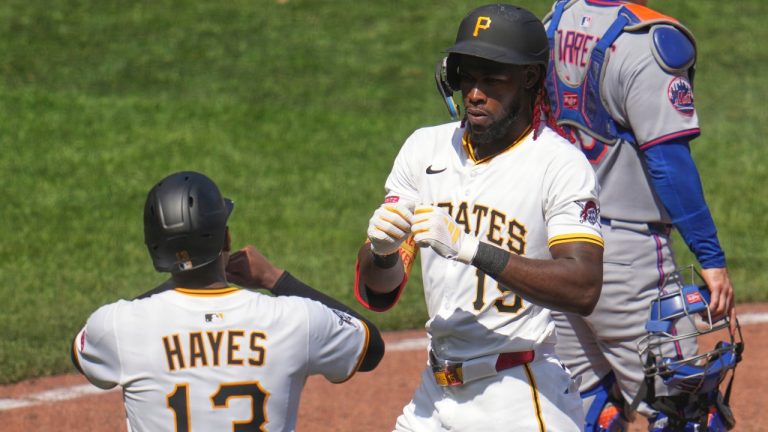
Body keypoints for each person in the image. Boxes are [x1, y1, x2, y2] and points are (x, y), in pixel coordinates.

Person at [355, 4, 605, 431]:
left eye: (492, 79)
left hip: (518, 395)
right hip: (435, 394)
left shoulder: (559, 164)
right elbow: (381, 294)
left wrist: (471, 248)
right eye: (467, 76)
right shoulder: (424, 149)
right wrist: (380, 254)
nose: (474, 92)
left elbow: (583, 287)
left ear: (528, 79)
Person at [543, 0, 737, 430]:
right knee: (685, 413)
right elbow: (667, 162)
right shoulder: (646, 43)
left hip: (554, 249)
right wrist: (710, 257)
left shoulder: (556, 21)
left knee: (587, 406)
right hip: (625, 259)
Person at [71, 171, 384, 432]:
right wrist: (275, 279)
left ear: (154, 248)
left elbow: (81, 354)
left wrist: (175, 279)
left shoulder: (118, 325)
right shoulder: (294, 318)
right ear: (227, 239)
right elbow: (371, 349)